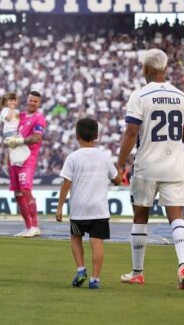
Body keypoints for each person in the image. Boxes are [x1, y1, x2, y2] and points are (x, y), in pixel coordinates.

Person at [115, 49, 184, 290]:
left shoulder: (140, 95)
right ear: (165, 68)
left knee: (140, 217)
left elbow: (131, 132)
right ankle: (183, 264)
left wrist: (120, 164)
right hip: (176, 165)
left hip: (147, 165)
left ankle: (137, 272)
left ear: (146, 69)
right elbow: (183, 131)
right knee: (176, 217)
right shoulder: (181, 96)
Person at [56, 118, 121, 289]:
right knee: (96, 242)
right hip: (99, 209)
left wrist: (60, 206)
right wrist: (118, 177)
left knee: (76, 237)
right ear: (97, 136)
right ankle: (95, 279)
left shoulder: (73, 157)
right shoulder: (104, 157)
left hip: (79, 208)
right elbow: (117, 179)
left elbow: (66, 183)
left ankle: (80, 269)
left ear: (77, 135)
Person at [4, 91, 47, 238]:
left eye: (35, 101)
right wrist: (7, 157)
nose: (32, 103)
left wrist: (19, 141)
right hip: (14, 158)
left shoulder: (39, 118)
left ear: (39, 103)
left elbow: (37, 138)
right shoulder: (20, 116)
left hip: (28, 158)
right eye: (31, 100)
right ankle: (28, 227)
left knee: (26, 189)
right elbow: (9, 134)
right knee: (17, 194)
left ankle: (35, 226)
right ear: (27, 100)